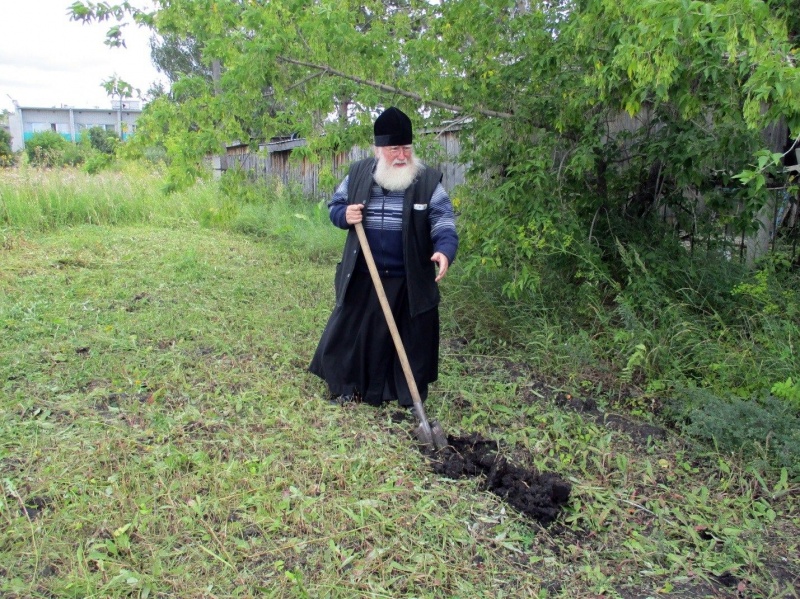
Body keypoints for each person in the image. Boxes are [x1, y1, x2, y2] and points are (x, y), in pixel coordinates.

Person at [309, 106, 459, 408]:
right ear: (378, 150)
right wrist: (344, 214)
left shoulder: (427, 181)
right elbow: (335, 206)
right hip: (364, 273)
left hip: (407, 278)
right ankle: (348, 387)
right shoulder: (359, 174)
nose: (402, 155)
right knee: (353, 336)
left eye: (406, 148)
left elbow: (443, 219)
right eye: (394, 149)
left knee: (409, 341)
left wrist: (444, 250)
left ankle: (404, 396)